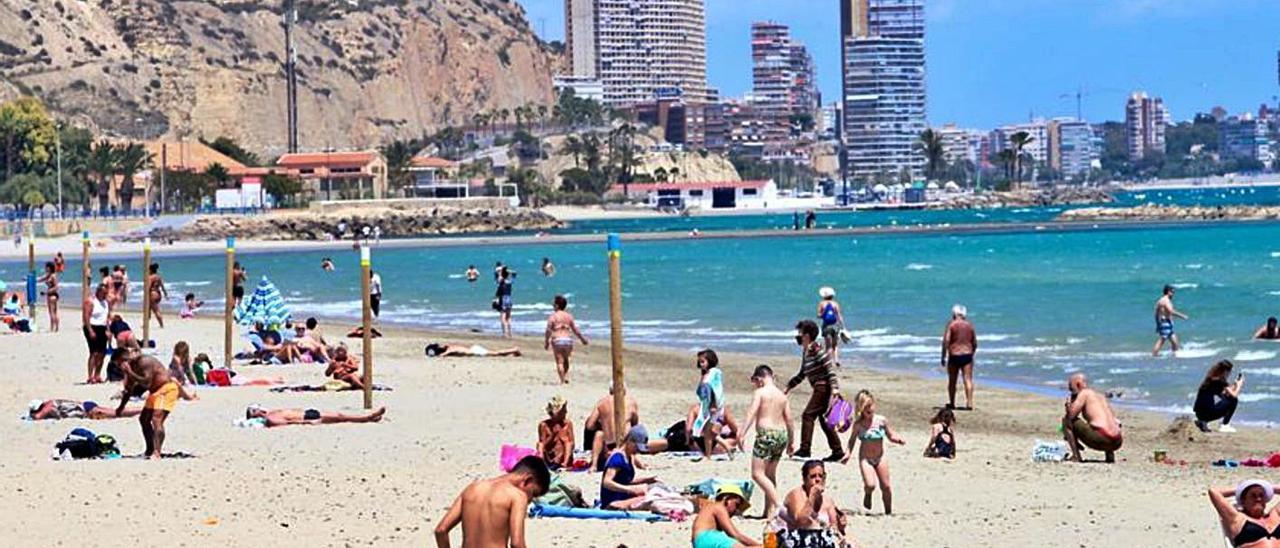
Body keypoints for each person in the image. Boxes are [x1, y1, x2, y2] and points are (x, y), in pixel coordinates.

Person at [433, 455, 551, 548]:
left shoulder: (472, 488)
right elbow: (516, 543)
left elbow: (441, 530)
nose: (530, 500)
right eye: (533, 493)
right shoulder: (517, 496)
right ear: (527, 480)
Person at [116, 342, 197, 459]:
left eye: (119, 363)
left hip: (166, 388)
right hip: (155, 392)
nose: (119, 367)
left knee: (156, 419)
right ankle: (149, 450)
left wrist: (130, 373)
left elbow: (146, 382)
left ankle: (157, 452)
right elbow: (128, 390)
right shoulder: (130, 369)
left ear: (124, 359)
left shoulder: (144, 361)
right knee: (144, 419)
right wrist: (121, 407)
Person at [740, 365, 795, 519]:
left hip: (766, 434)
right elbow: (790, 420)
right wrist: (791, 441)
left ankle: (778, 505)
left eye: (755, 382)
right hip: (781, 435)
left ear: (759, 379)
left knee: (757, 474)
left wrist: (742, 433)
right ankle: (768, 512)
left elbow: (752, 412)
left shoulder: (760, 392)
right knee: (770, 475)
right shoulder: (782, 396)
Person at [785, 320, 843, 461]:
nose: (797, 337)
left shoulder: (816, 348)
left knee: (808, 415)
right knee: (824, 420)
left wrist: (835, 388)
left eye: (799, 334)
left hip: (824, 387)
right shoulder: (806, 351)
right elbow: (802, 374)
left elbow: (829, 367)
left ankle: (805, 450)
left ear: (807, 335)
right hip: (819, 387)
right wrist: (788, 387)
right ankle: (837, 452)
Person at [841, 390, 905, 515]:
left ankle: (888, 512)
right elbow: (852, 440)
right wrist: (848, 453)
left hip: (880, 457)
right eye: (865, 407)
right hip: (865, 459)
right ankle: (868, 493)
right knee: (870, 485)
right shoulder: (858, 425)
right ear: (860, 409)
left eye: (871, 405)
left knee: (886, 487)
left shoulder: (881, 421)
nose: (869, 409)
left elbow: (890, 435)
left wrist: (897, 440)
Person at [780, 461, 847, 548]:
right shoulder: (796, 495)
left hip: (817, 541)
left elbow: (834, 530)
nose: (817, 479)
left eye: (821, 476)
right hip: (792, 539)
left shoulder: (828, 500)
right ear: (804, 479)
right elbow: (801, 523)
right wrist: (812, 498)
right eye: (813, 476)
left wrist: (841, 526)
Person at [1062, 372, 1123, 463]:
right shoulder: (1100, 396)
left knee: (1066, 420)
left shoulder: (1084, 393)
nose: (1071, 392)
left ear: (1078, 384)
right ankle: (1110, 457)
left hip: (1101, 440)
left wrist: (1068, 406)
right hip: (1117, 442)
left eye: (1071, 388)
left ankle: (1076, 456)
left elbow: (1071, 415)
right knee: (1106, 424)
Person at [599, 425, 660, 509]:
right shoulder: (617, 459)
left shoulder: (629, 457)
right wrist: (629, 489)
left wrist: (647, 480)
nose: (637, 451)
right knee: (650, 499)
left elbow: (624, 481)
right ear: (629, 441)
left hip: (623, 497)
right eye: (636, 447)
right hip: (613, 502)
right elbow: (606, 482)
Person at [584, 384, 641, 471]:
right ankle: (634, 460)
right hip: (625, 445)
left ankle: (594, 465)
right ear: (624, 391)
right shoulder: (631, 402)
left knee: (599, 434)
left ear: (610, 391)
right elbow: (635, 425)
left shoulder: (601, 402)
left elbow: (590, 425)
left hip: (608, 447)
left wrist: (603, 425)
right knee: (630, 429)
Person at [1208, 479, 1280, 548]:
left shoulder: (1275, 514)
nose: (1258, 499)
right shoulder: (1237, 519)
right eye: (1253, 496)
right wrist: (1242, 488)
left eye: (1261, 495)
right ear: (1243, 501)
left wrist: (1267, 487)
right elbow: (1213, 492)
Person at [691, 484, 760, 548]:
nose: (736, 510)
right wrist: (762, 545)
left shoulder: (709, 508)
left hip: (699, 542)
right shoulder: (718, 506)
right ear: (727, 498)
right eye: (737, 505)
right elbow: (735, 535)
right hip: (708, 537)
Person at [544, 294, 589, 384]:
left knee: (559, 361)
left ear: (557, 305)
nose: (553, 306)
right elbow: (575, 330)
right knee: (566, 359)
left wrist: (546, 342)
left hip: (557, 340)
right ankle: (565, 376)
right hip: (568, 340)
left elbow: (548, 330)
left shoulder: (553, 316)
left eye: (554, 304)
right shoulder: (569, 316)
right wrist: (582, 339)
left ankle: (562, 380)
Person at [941, 304, 978, 410]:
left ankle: (952, 403)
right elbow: (974, 342)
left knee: (952, 380)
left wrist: (943, 355)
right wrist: (972, 353)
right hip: (967, 354)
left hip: (954, 354)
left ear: (954, 314)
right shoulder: (969, 325)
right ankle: (969, 403)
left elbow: (946, 341)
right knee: (968, 379)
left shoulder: (951, 325)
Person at [692, 349, 727, 459]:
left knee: (706, 431)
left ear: (710, 361)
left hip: (713, 406)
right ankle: (727, 447)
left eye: (703, 362)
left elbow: (714, 389)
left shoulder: (713, 373)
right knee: (708, 431)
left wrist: (712, 405)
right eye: (700, 362)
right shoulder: (706, 373)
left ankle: (708, 456)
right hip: (708, 406)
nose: (701, 364)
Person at [1195, 359, 1243, 433]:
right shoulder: (1219, 381)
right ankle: (1225, 425)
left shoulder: (1211, 379)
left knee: (1229, 399)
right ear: (1225, 371)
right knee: (1234, 400)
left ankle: (1202, 421)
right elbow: (1234, 395)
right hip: (1206, 413)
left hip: (1199, 413)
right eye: (1229, 372)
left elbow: (1225, 395)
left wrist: (1235, 385)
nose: (1229, 374)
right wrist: (1239, 385)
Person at [245, 404, 385, 427]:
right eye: (254, 409)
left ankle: (370, 418)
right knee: (341, 417)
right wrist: (307, 423)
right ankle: (367, 418)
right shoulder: (270, 418)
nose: (259, 408)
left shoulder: (271, 412)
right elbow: (287, 423)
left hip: (308, 412)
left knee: (340, 415)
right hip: (308, 417)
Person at [82, 284, 111, 384]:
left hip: (102, 328)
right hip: (92, 326)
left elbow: (106, 318)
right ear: (98, 291)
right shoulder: (90, 301)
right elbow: (86, 317)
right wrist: (90, 330)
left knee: (102, 353)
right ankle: (90, 376)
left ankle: (97, 375)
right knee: (94, 352)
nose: (105, 294)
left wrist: (108, 330)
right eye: (103, 292)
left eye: (106, 292)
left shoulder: (105, 303)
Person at [537, 396, 575, 470]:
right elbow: (543, 445)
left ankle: (564, 464)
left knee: (568, 443)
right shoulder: (544, 425)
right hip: (549, 456)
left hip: (563, 456)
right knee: (540, 444)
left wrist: (565, 440)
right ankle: (541, 463)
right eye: (563, 410)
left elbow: (572, 444)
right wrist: (551, 437)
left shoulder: (567, 424)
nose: (566, 412)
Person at [1152, 284, 1189, 356]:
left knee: (1174, 341)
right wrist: (1182, 316)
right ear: (1168, 292)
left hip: (1165, 322)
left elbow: (1156, 313)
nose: (1173, 294)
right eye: (1172, 292)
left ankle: (1175, 356)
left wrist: (1157, 324)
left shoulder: (1161, 300)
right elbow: (1171, 311)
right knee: (1161, 340)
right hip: (1165, 323)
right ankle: (1154, 356)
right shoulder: (1165, 300)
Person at [28, 398, 142, 420]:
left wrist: (31, 415)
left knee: (117, 413)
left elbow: (38, 417)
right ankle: (141, 410)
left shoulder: (48, 406)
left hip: (86, 410)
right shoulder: (50, 402)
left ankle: (141, 410)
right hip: (86, 406)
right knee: (115, 412)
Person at [815, 287, 846, 366]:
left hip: (827, 326)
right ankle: (836, 360)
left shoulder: (822, 304)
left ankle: (828, 361)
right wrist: (843, 327)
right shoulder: (835, 304)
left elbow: (818, 315)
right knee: (835, 345)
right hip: (835, 326)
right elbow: (839, 316)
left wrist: (823, 314)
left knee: (828, 346)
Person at [37, 261, 60, 332]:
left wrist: (46, 292)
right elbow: (40, 279)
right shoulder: (48, 275)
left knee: (52, 312)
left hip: (52, 295)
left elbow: (56, 287)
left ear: (49, 268)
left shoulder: (53, 276)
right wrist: (29, 279)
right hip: (50, 294)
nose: (45, 268)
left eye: (46, 267)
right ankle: (55, 328)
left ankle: (53, 328)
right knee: (54, 312)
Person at [424, 342, 522, 358]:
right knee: (495, 354)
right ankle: (512, 353)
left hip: (474, 352)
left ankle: (514, 349)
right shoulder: (448, 346)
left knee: (496, 353)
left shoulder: (449, 350)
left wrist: (436, 356)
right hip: (473, 348)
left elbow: (443, 355)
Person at [495, 266, 514, 338]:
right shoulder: (510, 281)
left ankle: (504, 334)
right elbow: (514, 273)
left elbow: (499, 280)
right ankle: (510, 333)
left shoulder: (502, 281)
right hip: (509, 298)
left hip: (503, 299)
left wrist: (500, 272)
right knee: (508, 317)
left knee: (503, 317)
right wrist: (508, 271)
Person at [147, 262, 167, 328]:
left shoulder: (151, 277)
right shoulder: (158, 277)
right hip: (158, 293)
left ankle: (161, 325)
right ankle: (145, 324)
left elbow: (149, 287)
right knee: (148, 309)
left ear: (150, 270)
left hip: (152, 294)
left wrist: (146, 294)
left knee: (156, 310)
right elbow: (162, 286)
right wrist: (165, 294)